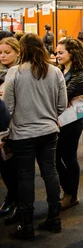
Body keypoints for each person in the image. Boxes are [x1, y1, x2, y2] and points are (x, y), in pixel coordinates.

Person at [2, 33, 67, 240]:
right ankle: (54, 218)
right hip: (49, 131)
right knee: (50, 172)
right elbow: (62, 105)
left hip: (22, 134)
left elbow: (8, 107)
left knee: (25, 177)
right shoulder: (55, 71)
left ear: (22, 50)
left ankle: (27, 224)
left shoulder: (14, 73)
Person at [55, 38, 83, 210]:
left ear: (72, 53)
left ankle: (71, 194)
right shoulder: (61, 70)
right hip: (61, 120)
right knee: (57, 157)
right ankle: (67, 191)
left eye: (61, 52)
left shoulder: (79, 73)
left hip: (72, 120)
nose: (57, 55)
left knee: (69, 157)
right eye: (57, 52)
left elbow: (63, 97)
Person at [0, 38, 20, 225]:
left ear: (17, 52)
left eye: (7, 52)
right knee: (4, 166)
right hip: (2, 125)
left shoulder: (20, 72)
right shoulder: (2, 73)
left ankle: (17, 202)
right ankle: (11, 197)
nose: (3, 56)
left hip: (17, 125)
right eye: (1, 53)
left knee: (15, 167)